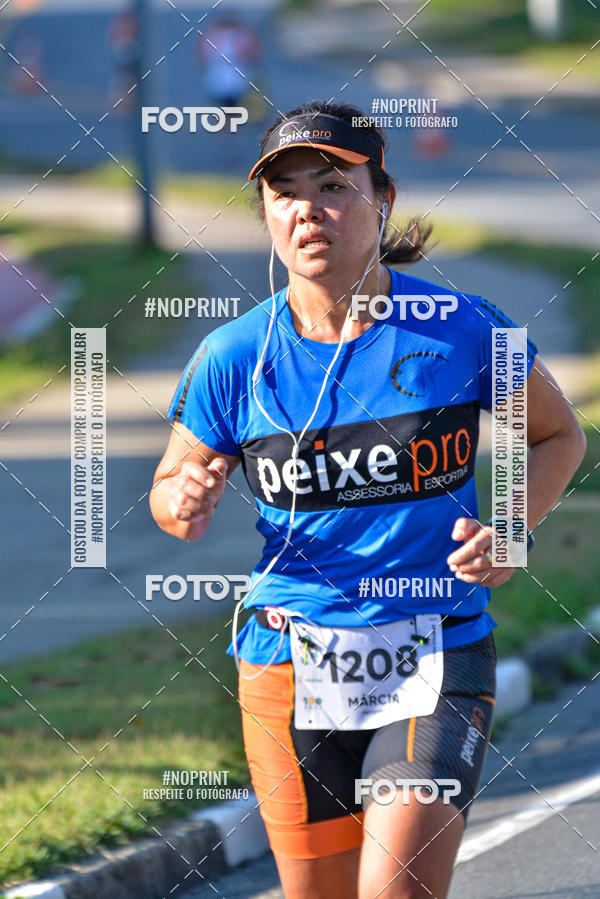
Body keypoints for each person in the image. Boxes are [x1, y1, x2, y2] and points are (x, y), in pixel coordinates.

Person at [150, 100, 586, 898]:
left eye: (332, 185)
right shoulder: (232, 354)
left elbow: (559, 436)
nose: (308, 209)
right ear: (266, 213)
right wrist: (184, 496)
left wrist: (513, 525)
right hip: (287, 659)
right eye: (285, 191)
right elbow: (170, 493)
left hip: (435, 645)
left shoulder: (460, 328)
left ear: (381, 198)